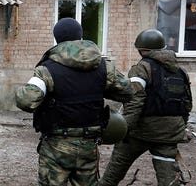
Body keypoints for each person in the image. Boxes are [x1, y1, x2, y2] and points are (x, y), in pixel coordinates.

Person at [15, 17, 134, 185]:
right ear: (81, 36)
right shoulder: (104, 66)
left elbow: (26, 101)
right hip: (89, 145)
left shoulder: (46, 69)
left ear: (57, 39)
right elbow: (128, 92)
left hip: (56, 146)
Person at [100, 29, 193, 186]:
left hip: (140, 132)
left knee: (112, 175)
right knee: (169, 180)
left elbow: (135, 100)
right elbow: (187, 103)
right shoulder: (180, 72)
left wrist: (124, 129)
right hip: (169, 134)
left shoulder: (142, 68)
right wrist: (179, 126)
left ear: (142, 49)